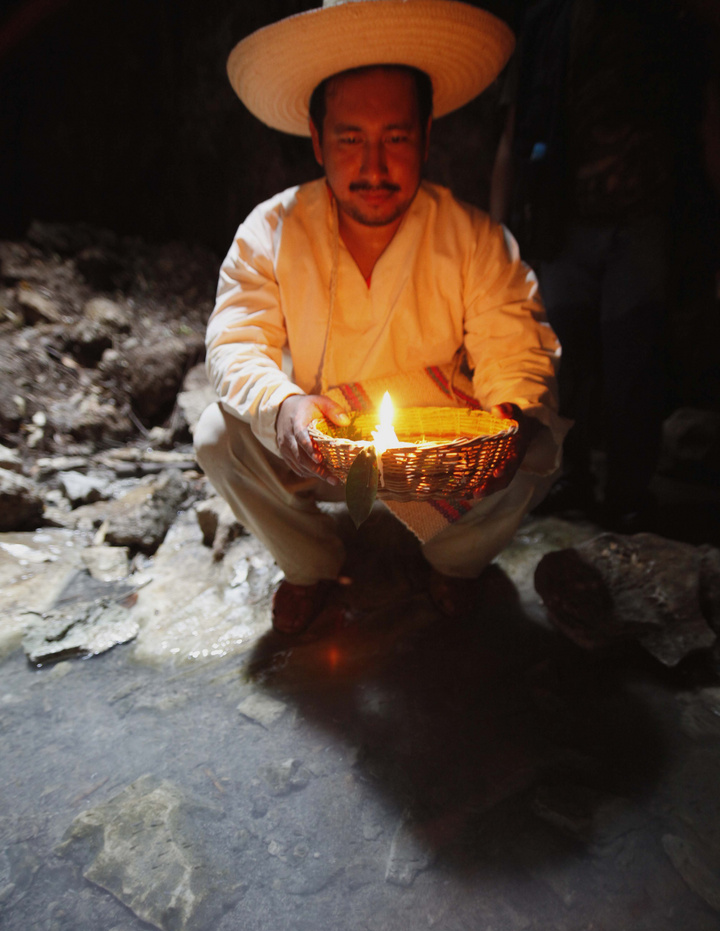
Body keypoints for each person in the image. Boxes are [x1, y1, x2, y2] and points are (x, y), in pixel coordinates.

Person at [194, 0, 569, 634]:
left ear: (426, 136)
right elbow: (235, 340)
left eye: (396, 138)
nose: (374, 167)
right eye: (350, 139)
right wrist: (284, 408)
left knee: (535, 438)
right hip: (322, 447)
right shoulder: (272, 230)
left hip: (439, 456)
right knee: (217, 434)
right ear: (316, 140)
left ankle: (454, 559)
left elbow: (514, 342)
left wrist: (511, 416)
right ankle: (310, 562)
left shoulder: (472, 238)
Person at [490, 0, 682, 530]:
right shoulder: (548, 23)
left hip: (640, 220)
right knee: (560, 362)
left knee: (633, 362)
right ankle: (566, 476)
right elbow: (514, 133)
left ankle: (628, 492)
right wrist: (495, 238)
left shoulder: (659, 22)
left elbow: (698, 115)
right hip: (562, 220)